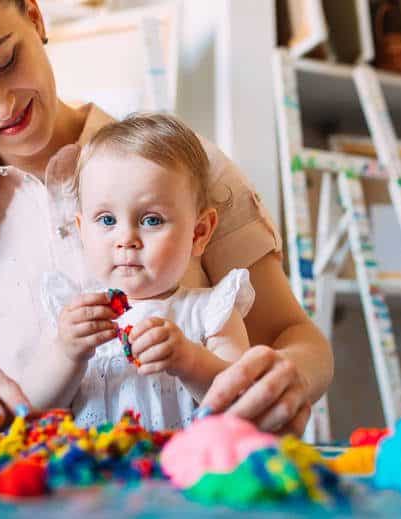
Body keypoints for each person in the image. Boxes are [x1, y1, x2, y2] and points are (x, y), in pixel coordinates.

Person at [0, 0, 333, 436]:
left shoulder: (186, 169)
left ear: (34, 17)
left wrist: (291, 378)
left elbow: (293, 335)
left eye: (5, 62)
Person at [49, 113, 251, 430]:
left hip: (183, 472)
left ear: (198, 233)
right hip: (91, 470)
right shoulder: (76, 315)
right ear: (82, 230)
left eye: (151, 220)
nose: (126, 239)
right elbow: (33, 406)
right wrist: (66, 353)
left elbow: (244, 401)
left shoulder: (211, 311)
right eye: (106, 220)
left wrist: (189, 361)